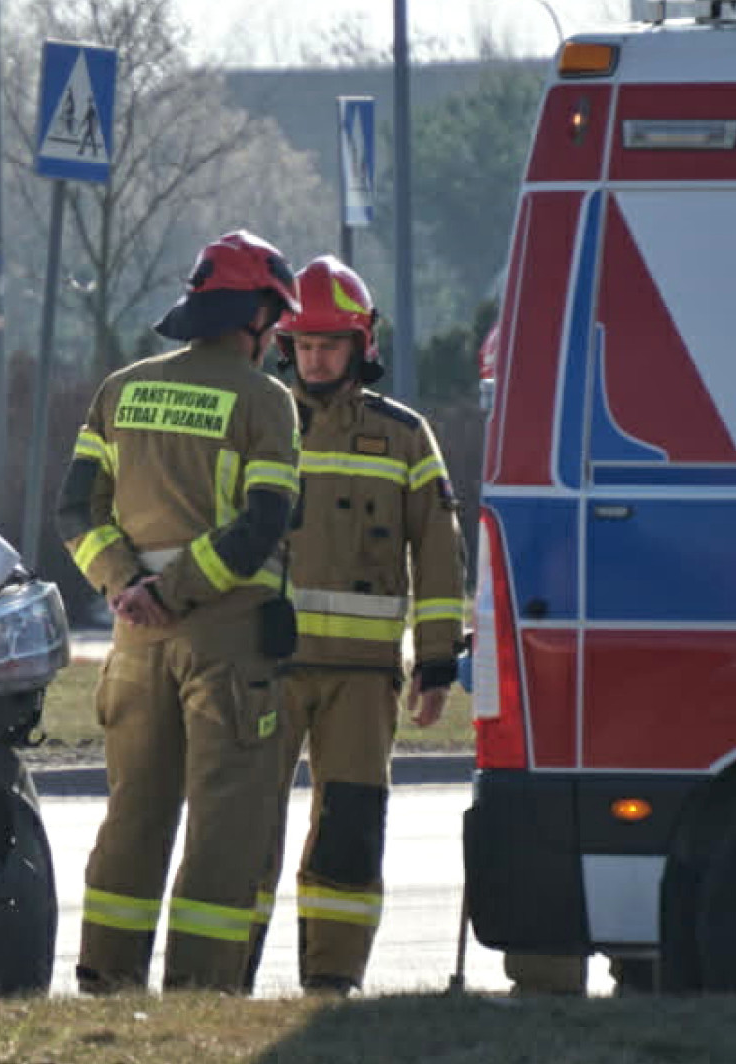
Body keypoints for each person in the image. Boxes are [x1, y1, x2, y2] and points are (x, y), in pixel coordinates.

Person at [56, 231, 307, 994]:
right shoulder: (268, 402)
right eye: (278, 319)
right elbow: (263, 522)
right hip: (224, 641)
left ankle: (108, 974)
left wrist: (124, 585)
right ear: (257, 314)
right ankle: (201, 992)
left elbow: (74, 511)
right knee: (225, 823)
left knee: (135, 812)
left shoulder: (121, 389)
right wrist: (175, 591)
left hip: (134, 644)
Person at [245, 256, 466, 998]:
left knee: (351, 832)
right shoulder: (255, 422)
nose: (314, 358)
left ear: (361, 345)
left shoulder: (404, 437)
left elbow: (439, 552)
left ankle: (332, 985)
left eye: (329, 344)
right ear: (286, 347)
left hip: (364, 679)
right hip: (261, 667)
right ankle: (217, 987)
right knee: (241, 832)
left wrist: (437, 665)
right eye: (303, 345)